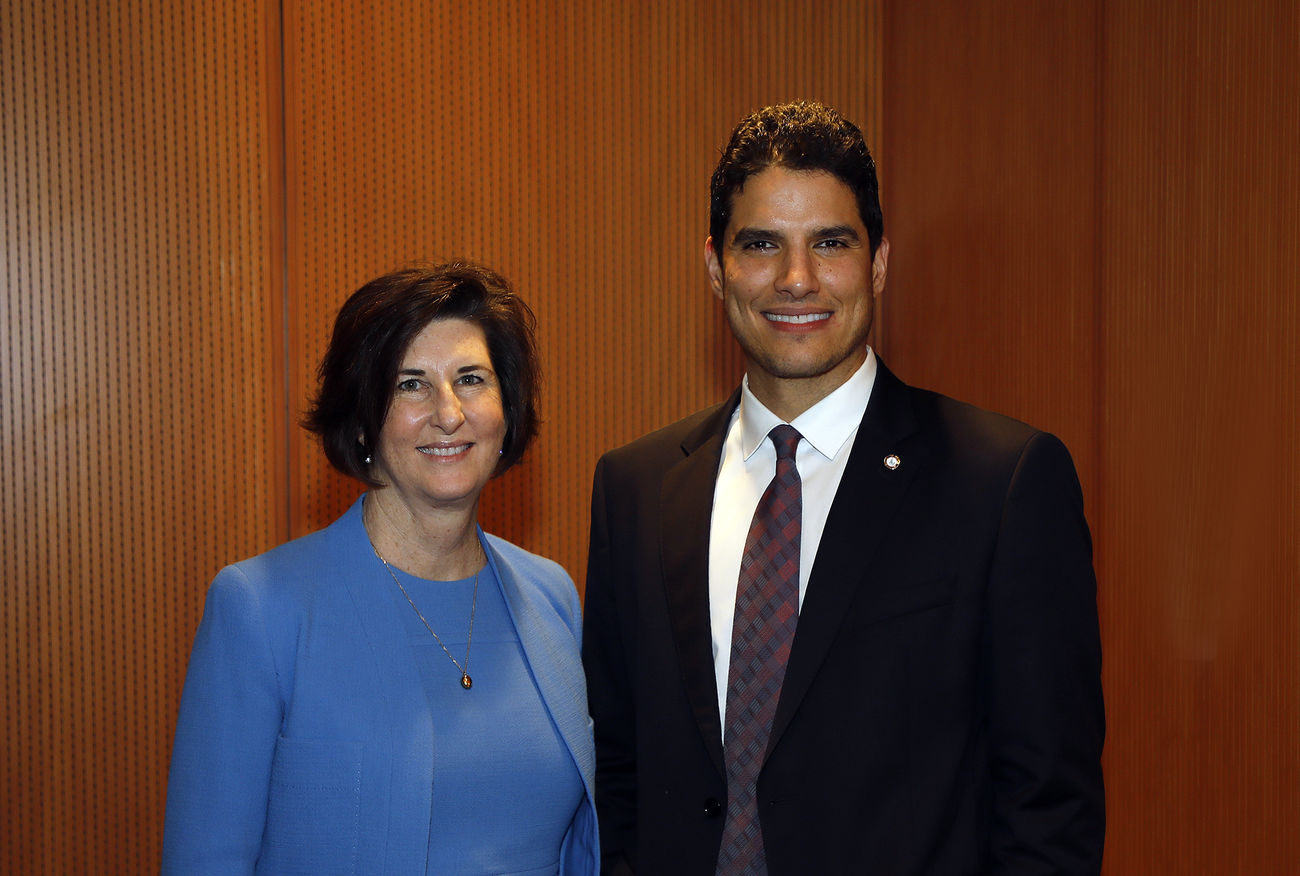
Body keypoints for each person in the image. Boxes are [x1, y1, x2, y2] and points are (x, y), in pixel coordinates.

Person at [582, 101, 1104, 875]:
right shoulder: (635, 489)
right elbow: (619, 773)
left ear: (879, 263)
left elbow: (1049, 807)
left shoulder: (1001, 484)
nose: (796, 279)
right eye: (761, 244)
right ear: (715, 267)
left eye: (830, 243)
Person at [164, 261, 598, 874]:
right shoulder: (261, 610)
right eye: (411, 384)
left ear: (507, 410)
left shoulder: (551, 596)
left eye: (471, 379)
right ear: (364, 421)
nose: (448, 413)